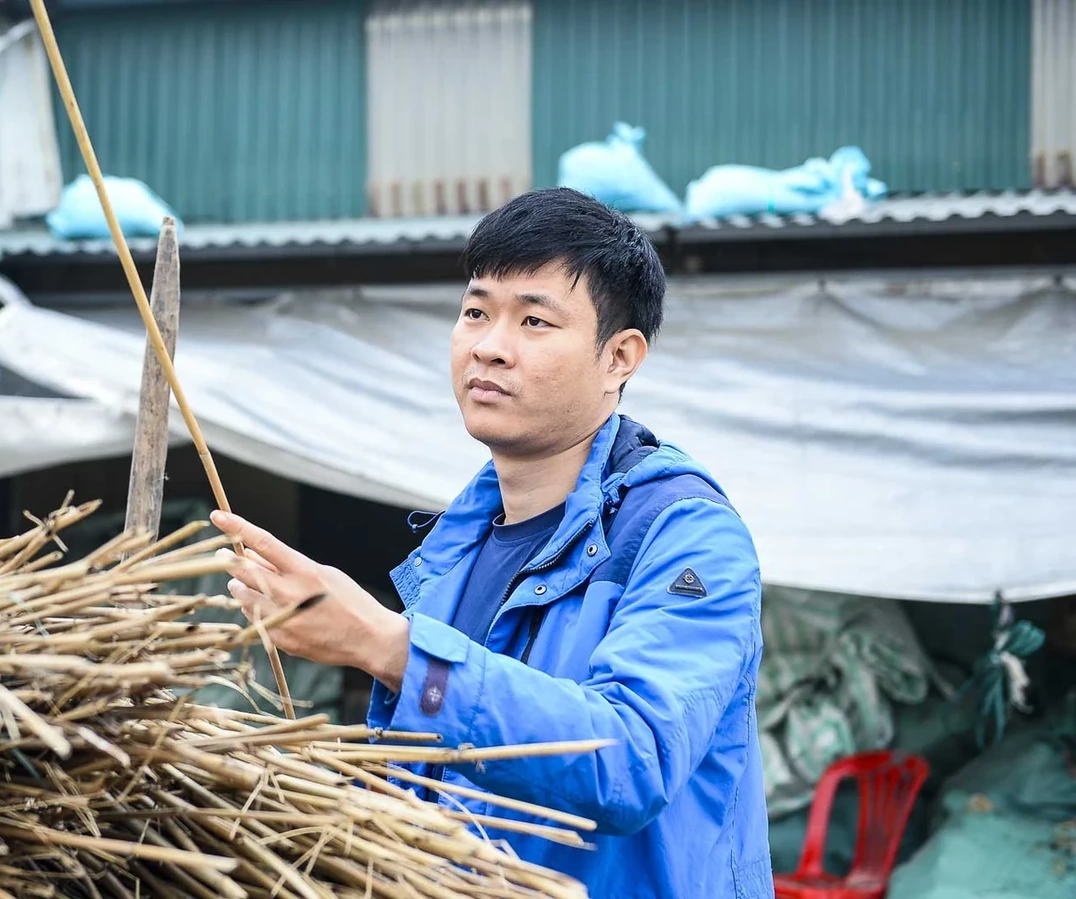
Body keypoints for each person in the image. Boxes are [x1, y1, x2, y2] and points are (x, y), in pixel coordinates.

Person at [212, 188, 771, 898]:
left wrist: (388, 647)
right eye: (476, 311)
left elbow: (632, 757)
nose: (489, 345)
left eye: (534, 320)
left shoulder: (685, 534)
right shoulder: (457, 549)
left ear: (620, 356)